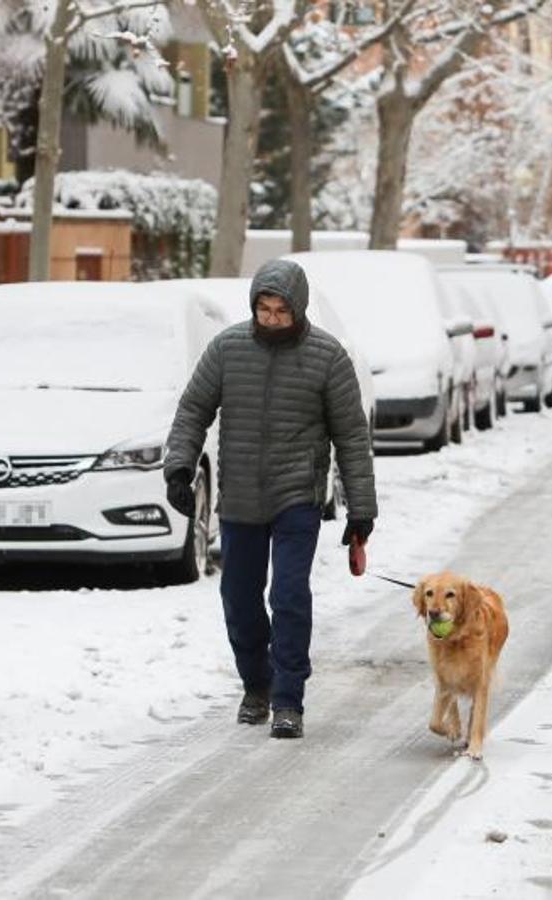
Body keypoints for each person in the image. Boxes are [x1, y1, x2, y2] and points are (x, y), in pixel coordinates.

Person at [164, 259, 378, 739]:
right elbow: (192, 410)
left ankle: (287, 700)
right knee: (238, 598)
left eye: (282, 310)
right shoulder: (226, 349)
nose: (273, 318)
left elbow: (351, 437)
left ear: (299, 309)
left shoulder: (327, 357)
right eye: (264, 309)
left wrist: (361, 508)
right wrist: (179, 466)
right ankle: (256, 685)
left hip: (296, 495)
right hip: (239, 493)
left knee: (288, 596)